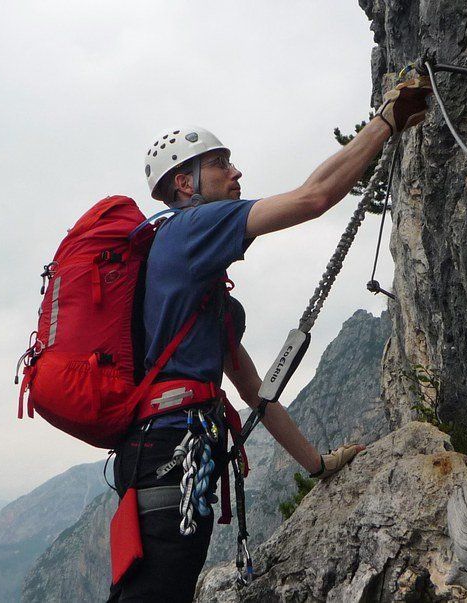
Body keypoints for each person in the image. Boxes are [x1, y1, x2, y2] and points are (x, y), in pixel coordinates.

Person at [110, 77, 432, 602]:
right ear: (185, 185)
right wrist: (386, 123)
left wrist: (317, 465)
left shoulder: (197, 289)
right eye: (220, 164)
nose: (235, 172)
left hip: (160, 460)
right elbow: (314, 198)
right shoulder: (192, 230)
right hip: (171, 459)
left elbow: (256, 391)